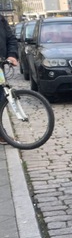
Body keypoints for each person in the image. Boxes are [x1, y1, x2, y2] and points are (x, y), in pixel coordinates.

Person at [0, 14, 18, 145]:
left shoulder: (1, 19)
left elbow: (11, 39)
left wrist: (12, 55)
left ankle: (1, 134)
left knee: (1, 97)